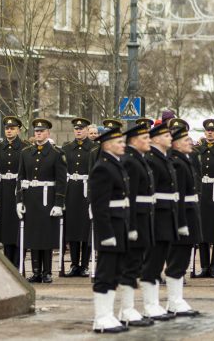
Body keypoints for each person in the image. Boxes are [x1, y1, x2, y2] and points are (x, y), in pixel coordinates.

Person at [88, 123, 131, 334]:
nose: (123, 145)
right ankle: (101, 317)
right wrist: (105, 233)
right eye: (119, 142)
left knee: (116, 272)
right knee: (105, 272)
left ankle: (109, 314)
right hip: (109, 227)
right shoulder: (102, 167)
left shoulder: (116, 164)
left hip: (119, 223)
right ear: (106, 145)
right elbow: (99, 205)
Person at [17, 118, 67, 283]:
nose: (38, 133)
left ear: (48, 133)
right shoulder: (26, 153)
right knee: (32, 236)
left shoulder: (56, 153)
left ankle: (47, 272)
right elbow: (21, 177)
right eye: (36, 131)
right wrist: (19, 200)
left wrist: (59, 203)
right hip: (31, 199)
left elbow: (61, 181)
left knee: (45, 236)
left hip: (48, 198)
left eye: (41, 131)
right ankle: (36, 270)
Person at [116, 119, 156, 328]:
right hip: (135, 219)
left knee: (136, 263)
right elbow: (128, 197)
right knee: (131, 265)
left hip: (143, 217)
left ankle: (129, 308)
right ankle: (126, 308)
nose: (148, 140)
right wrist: (130, 225)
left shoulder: (139, 159)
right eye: (144, 138)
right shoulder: (131, 161)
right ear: (133, 140)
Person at [138, 120, 179, 317]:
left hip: (166, 213)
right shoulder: (151, 159)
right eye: (165, 135)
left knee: (159, 258)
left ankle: (154, 303)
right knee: (152, 261)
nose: (170, 138)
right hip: (156, 215)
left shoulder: (163, 158)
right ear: (154, 139)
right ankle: (149, 304)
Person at [165, 118, 201, 317]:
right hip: (183, 214)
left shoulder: (185, 160)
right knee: (177, 259)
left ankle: (176, 299)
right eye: (186, 139)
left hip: (189, 211)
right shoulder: (176, 163)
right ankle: (174, 300)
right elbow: (177, 196)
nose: (190, 142)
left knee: (182, 259)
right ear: (176, 143)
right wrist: (180, 222)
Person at [62, 117, 95, 277]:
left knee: (86, 229)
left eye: (81, 128)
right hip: (72, 191)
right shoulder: (67, 148)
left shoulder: (94, 148)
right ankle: (74, 264)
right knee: (73, 228)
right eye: (76, 128)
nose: (79, 131)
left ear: (87, 130)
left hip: (87, 191)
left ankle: (85, 264)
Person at [0, 116, 26, 267]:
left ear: (18, 130)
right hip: (3, 191)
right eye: (7, 128)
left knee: (18, 227)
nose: (9, 131)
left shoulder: (25, 147)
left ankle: (19, 264)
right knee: (5, 227)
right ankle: (8, 263)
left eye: (12, 128)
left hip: (18, 189)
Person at [194, 118, 214, 278]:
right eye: (207, 130)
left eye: (213, 130)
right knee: (202, 230)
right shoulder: (198, 151)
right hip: (202, 192)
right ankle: (204, 265)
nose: (210, 133)